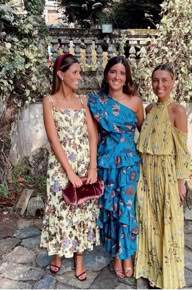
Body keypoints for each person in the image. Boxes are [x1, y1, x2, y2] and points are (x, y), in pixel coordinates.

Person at [40, 53, 100, 281]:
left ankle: (79, 258)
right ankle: (56, 253)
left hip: (84, 166)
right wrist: (69, 173)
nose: (79, 77)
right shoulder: (50, 101)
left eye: (79, 72)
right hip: (60, 167)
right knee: (59, 208)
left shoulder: (83, 101)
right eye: (74, 72)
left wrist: (92, 167)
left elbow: (92, 136)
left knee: (82, 211)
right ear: (60, 74)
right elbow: (54, 140)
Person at [134, 63, 191, 289]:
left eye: (164, 80)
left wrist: (180, 183)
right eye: (156, 80)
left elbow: (182, 151)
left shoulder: (178, 111)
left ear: (173, 81)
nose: (160, 85)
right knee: (149, 223)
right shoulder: (148, 110)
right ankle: (151, 270)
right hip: (146, 176)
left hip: (167, 176)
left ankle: (167, 274)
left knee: (167, 224)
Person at [88, 56, 144, 278]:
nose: (117, 77)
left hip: (129, 164)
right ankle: (116, 254)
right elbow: (92, 136)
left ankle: (127, 255)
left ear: (127, 77)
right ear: (106, 74)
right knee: (110, 209)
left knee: (127, 208)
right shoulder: (95, 101)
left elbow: (144, 133)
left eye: (122, 73)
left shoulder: (135, 102)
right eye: (113, 72)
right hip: (106, 163)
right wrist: (92, 166)